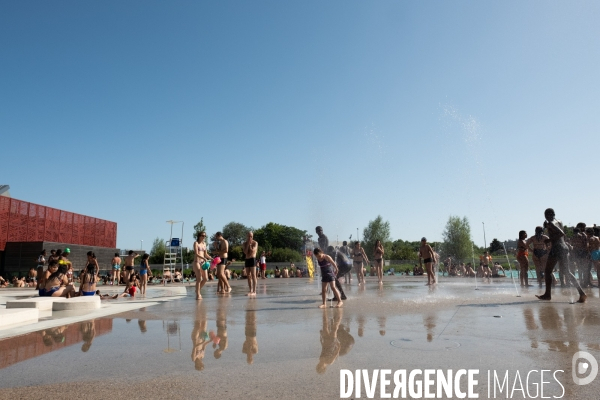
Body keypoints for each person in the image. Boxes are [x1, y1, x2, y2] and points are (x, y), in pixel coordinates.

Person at [536, 208, 586, 303]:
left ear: (546, 215)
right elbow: (563, 234)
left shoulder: (551, 223)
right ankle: (582, 293)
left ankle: (547, 295)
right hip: (563, 247)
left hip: (557, 248)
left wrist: (549, 240)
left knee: (547, 271)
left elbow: (561, 233)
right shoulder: (559, 221)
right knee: (567, 272)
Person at [193, 231, 212, 300]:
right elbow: (196, 253)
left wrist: (210, 258)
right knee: (199, 278)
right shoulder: (196, 243)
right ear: (199, 236)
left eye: (205, 236)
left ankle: (197, 290)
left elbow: (206, 254)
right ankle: (198, 294)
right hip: (197, 262)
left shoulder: (204, 244)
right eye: (202, 235)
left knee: (206, 278)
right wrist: (203, 258)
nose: (204, 237)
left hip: (203, 262)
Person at [571, 223, 591, 288]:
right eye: (584, 227)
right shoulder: (583, 235)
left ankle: (581, 282)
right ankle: (585, 283)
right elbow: (586, 245)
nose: (585, 229)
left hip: (577, 253)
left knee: (579, 268)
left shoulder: (574, 236)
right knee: (585, 268)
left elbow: (573, 246)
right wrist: (588, 254)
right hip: (583, 253)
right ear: (581, 228)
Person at [243, 231, 258, 296]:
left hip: (252, 259)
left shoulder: (255, 243)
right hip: (247, 259)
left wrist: (251, 246)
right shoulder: (244, 243)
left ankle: (254, 291)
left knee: (253, 275)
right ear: (247, 236)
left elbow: (253, 251)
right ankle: (250, 290)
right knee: (248, 275)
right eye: (249, 236)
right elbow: (245, 252)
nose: (250, 238)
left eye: (251, 236)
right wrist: (248, 245)